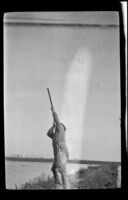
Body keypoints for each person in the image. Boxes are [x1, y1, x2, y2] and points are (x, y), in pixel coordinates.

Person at [47, 107, 70, 189]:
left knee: (58, 169)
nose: (57, 126)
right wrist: (52, 127)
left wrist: (53, 111)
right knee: (55, 168)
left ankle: (61, 187)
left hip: (62, 151)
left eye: (58, 125)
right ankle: (63, 186)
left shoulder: (61, 129)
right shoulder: (55, 135)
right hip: (59, 153)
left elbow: (57, 120)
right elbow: (48, 133)